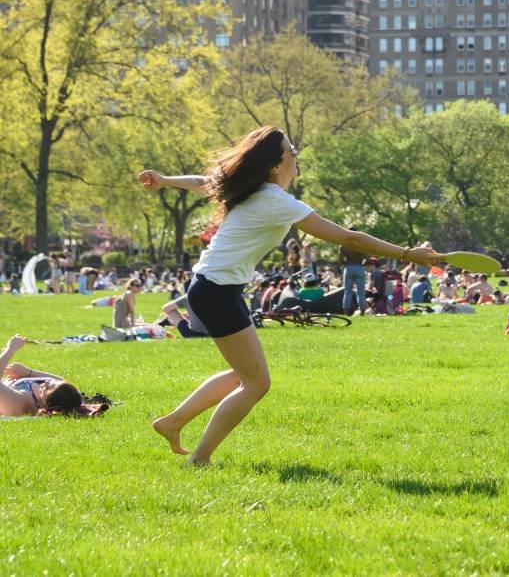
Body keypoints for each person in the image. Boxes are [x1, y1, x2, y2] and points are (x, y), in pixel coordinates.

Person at [139, 126, 438, 466]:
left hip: (217, 288)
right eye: (291, 152)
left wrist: (165, 180)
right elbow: (349, 238)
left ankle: (173, 422)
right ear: (274, 164)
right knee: (256, 384)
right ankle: (199, 459)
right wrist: (408, 253)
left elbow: (203, 182)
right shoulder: (274, 201)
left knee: (243, 375)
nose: (296, 157)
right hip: (216, 291)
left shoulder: (253, 190)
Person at [0, 335, 85, 416]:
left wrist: (10, 350)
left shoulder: (20, 404)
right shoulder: (60, 393)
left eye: (47, 387)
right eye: (53, 382)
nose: (46, 382)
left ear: (46, 405)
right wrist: (28, 372)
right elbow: (60, 381)